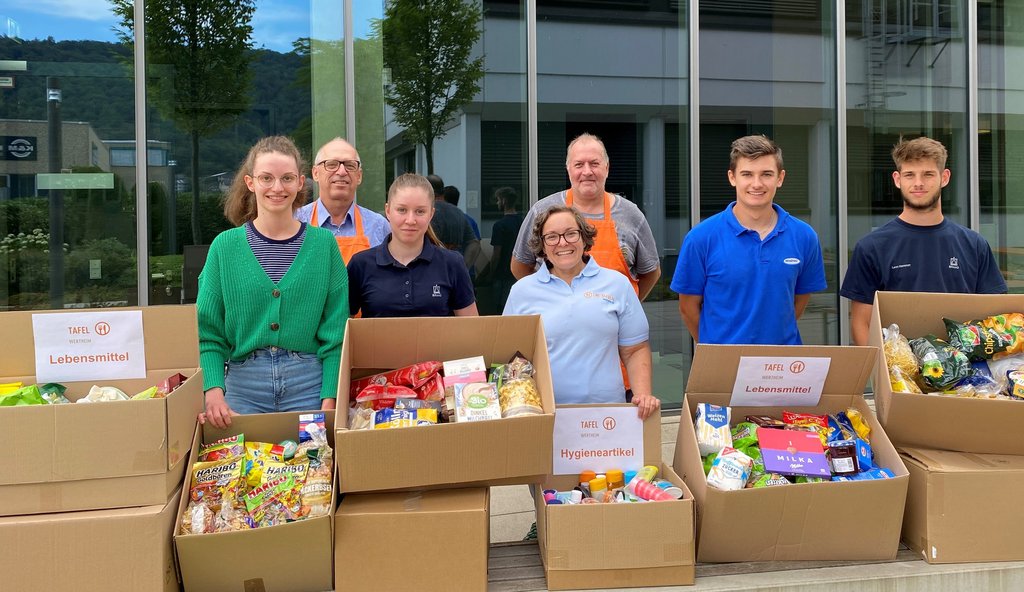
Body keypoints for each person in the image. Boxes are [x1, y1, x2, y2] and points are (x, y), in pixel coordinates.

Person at [197, 136, 348, 428]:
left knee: (311, 470)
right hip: (242, 386)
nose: (277, 188)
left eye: (287, 178)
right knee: (246, 472)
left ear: (301, 182)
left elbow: (336, 332)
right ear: (250, 182)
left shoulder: (324, 246)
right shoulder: (224, 248)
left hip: (309, 385)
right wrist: (213, 391)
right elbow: (208, 331)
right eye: (267, 178)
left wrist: (330, 395)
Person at [841, 136, 1007, 345]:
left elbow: (994, 318)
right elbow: (861, 322)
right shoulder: (871, 247)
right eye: (910, 175)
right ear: (897, 179)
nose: (918, 183)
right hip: (899, 372)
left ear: (944, 177)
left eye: (928, 174)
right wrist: (880, 373)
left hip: (965, 372)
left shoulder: (973, 244)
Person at [504, 205, 660, 420]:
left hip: (607, 414)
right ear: (542, 245)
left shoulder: (617, 284)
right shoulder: (522, 292)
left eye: (571, 234)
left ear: (584, 238)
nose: (562, 242)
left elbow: (635, 349)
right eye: (551, 237)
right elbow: (512, 358)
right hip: (545, 414)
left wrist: (643, 396)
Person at [671, 135, 826, 345]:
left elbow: (798, 302)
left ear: (780, 178)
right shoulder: (701, 238)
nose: (756, 184)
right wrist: (715, 347)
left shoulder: (804, 236)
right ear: (732, 177)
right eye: (747, 174)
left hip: (782, 365)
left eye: (766, 174)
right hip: (723, 368)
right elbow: (688, 308)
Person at [510, 133, 661, 300]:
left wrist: (628, 305)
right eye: (579, 164)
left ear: (607, 168)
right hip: (557, 322)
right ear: (568, 169)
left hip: (615, 323)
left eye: (594, 163)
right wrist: (545, 300)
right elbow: (520, 266)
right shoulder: (543, 210)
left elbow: (651, 272)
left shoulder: (631, 214)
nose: (587, 171)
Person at [347, 173, 479, 318]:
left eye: (420, 211)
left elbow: (470, 328)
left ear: (431, 214)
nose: (410, 220)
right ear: (388, 211)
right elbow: (343, 327)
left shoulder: (452, 264)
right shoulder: (361, 265)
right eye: (402, 210)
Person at [294, 137, 390, 264]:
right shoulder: (295, 221)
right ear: (315, 173)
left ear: (359, 176)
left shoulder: (379, 227)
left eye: (350, 165)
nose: (342, 171)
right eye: (332, 164)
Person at [483, 186, 524, 312]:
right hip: (520, 272)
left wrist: (490, 273)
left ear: (504, 201)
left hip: (503, 274)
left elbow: (496, 254)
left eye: (498, 200)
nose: (497, 203)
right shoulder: (523, 221)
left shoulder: (500, 225)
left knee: (500, 309)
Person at [427, 174, 478, 254]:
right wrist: (464, 265)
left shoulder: (426, 212)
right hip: (455, 262)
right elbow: (474, 244)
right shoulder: (459, 213)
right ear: (443, 191)